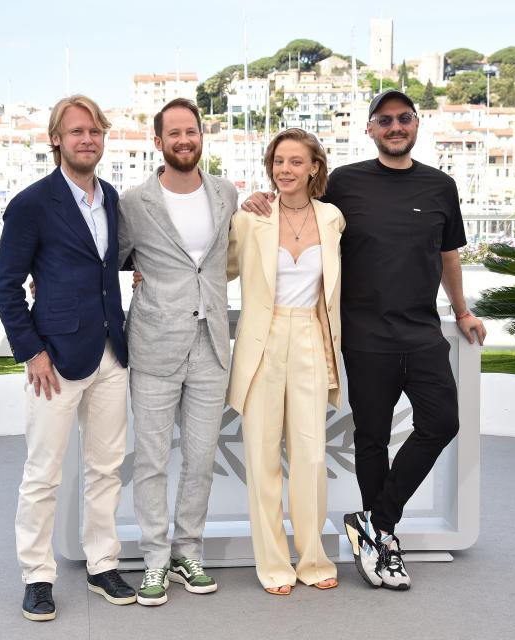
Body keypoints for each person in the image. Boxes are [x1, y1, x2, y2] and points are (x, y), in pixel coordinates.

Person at [242, 89, 487, 591]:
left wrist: (461, 311)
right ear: (370, 129)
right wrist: (262, 197)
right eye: (384, 120)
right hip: (363, 337)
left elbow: (449, 257)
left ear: (416, 124)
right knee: (371, 440)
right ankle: (383, 544)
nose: (395, 127)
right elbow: (297, 211)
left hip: (421, 333)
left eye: (404, 119)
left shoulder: (441, 186)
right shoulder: (345, 185)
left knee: (442, 421)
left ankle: (376, 520)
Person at [0, 94, 136, 621]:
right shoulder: (32, 203)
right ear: (56, 139)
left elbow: (108, 263)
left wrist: (138, 268)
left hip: (110, 355)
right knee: (43, 474)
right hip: (53, 359)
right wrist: (30, 350)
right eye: (76, 132)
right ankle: (37, 575)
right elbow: (7, 285)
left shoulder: (112, 198)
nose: (87, 140)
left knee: (105, 468)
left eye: (95, 131)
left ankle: (102, 564)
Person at [117, 98, 238, 606]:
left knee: (201, 457)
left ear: (201, 137)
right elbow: (107, 257)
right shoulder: (133, 202)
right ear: (158, 140)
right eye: (174, 133)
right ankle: (154, 560)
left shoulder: (226, 194)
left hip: (212, 344)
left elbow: (232, 255)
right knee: (150, 461)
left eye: (192, 131)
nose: (184, 140)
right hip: (153, 343)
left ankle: (189, 550)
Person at [226, 128, 344, 595]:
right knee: (261, 457)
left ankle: (313, 560)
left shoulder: (333, 218)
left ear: (315, 167)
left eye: (296, 162)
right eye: (279, 162)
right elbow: (217, 270)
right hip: (262, 339)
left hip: (312, 337)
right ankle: (274, 565)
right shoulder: (251, 217)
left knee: (311, 456)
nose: (286, 170)